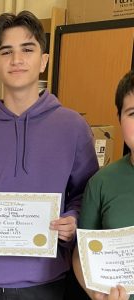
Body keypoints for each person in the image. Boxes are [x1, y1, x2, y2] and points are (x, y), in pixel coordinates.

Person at [0, 10, 99, 300]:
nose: (16, 60)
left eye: (27, 49)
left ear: (43, 61)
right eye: (7, 51)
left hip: (46, 282)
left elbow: (85, 194)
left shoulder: (73, 127)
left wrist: (74, 219)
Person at [72, 70, 134, 300]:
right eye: (133, 113)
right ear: (119, 118)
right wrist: (95, 293)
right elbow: (81, 255)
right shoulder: (102, 182)